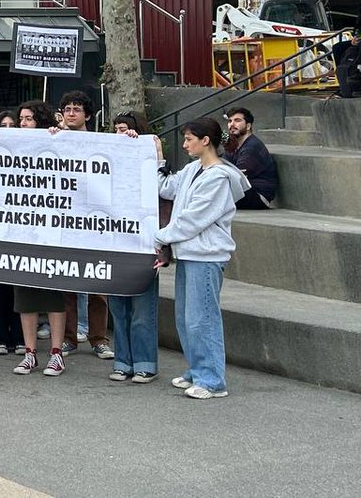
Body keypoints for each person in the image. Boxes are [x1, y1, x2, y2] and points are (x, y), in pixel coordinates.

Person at [155, 117, 246, 399]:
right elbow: (167, 187)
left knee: (202, 318)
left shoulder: (218, 176)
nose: (184, 145)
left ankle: (212, 379)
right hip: (191, 254)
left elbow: (194, 219)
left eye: (189, 139)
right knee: (186, 318)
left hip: (206, 256)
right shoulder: (194, 168)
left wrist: (161, 236)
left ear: (205, 140)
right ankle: (197, 370)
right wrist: (158, 158)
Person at [54, 90, 114, 361]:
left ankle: (99, 338)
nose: (71, 113)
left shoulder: (103, 142)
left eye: (77, 109)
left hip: (95, 223)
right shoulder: (56, 140)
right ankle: (68, 339)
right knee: (67, 284)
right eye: (67, 108)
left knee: (97, 288)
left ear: (88, 114)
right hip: (66, 222)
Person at [11, 100, 68, 375]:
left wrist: (61, 135)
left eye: (29, 119)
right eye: (21, 119)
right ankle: (30, 351)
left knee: (54, 294)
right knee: (25, 296)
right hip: (23, 233)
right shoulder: (13, 145)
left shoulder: (57, 141)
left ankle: (56, 353)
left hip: (52, 232)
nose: (23, 124)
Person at [106, 112, 160, 384]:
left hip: (142, 247)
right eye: (115, 129)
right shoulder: (107, 165)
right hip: (114, 246)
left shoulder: (148, 160)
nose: (120, 134)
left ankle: (145, 363)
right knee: (118, 309)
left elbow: (161, 188)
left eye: (125, 128)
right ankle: (122, 361)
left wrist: (149, 148)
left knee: (141, 311)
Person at [223, 107, 277, 209]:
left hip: (258, 196)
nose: (232, 124)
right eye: (230, 121)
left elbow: (238, 176)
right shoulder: (233, 145)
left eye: (237, 120)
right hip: (244, 191)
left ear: (248, 126)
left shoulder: (253, 147)